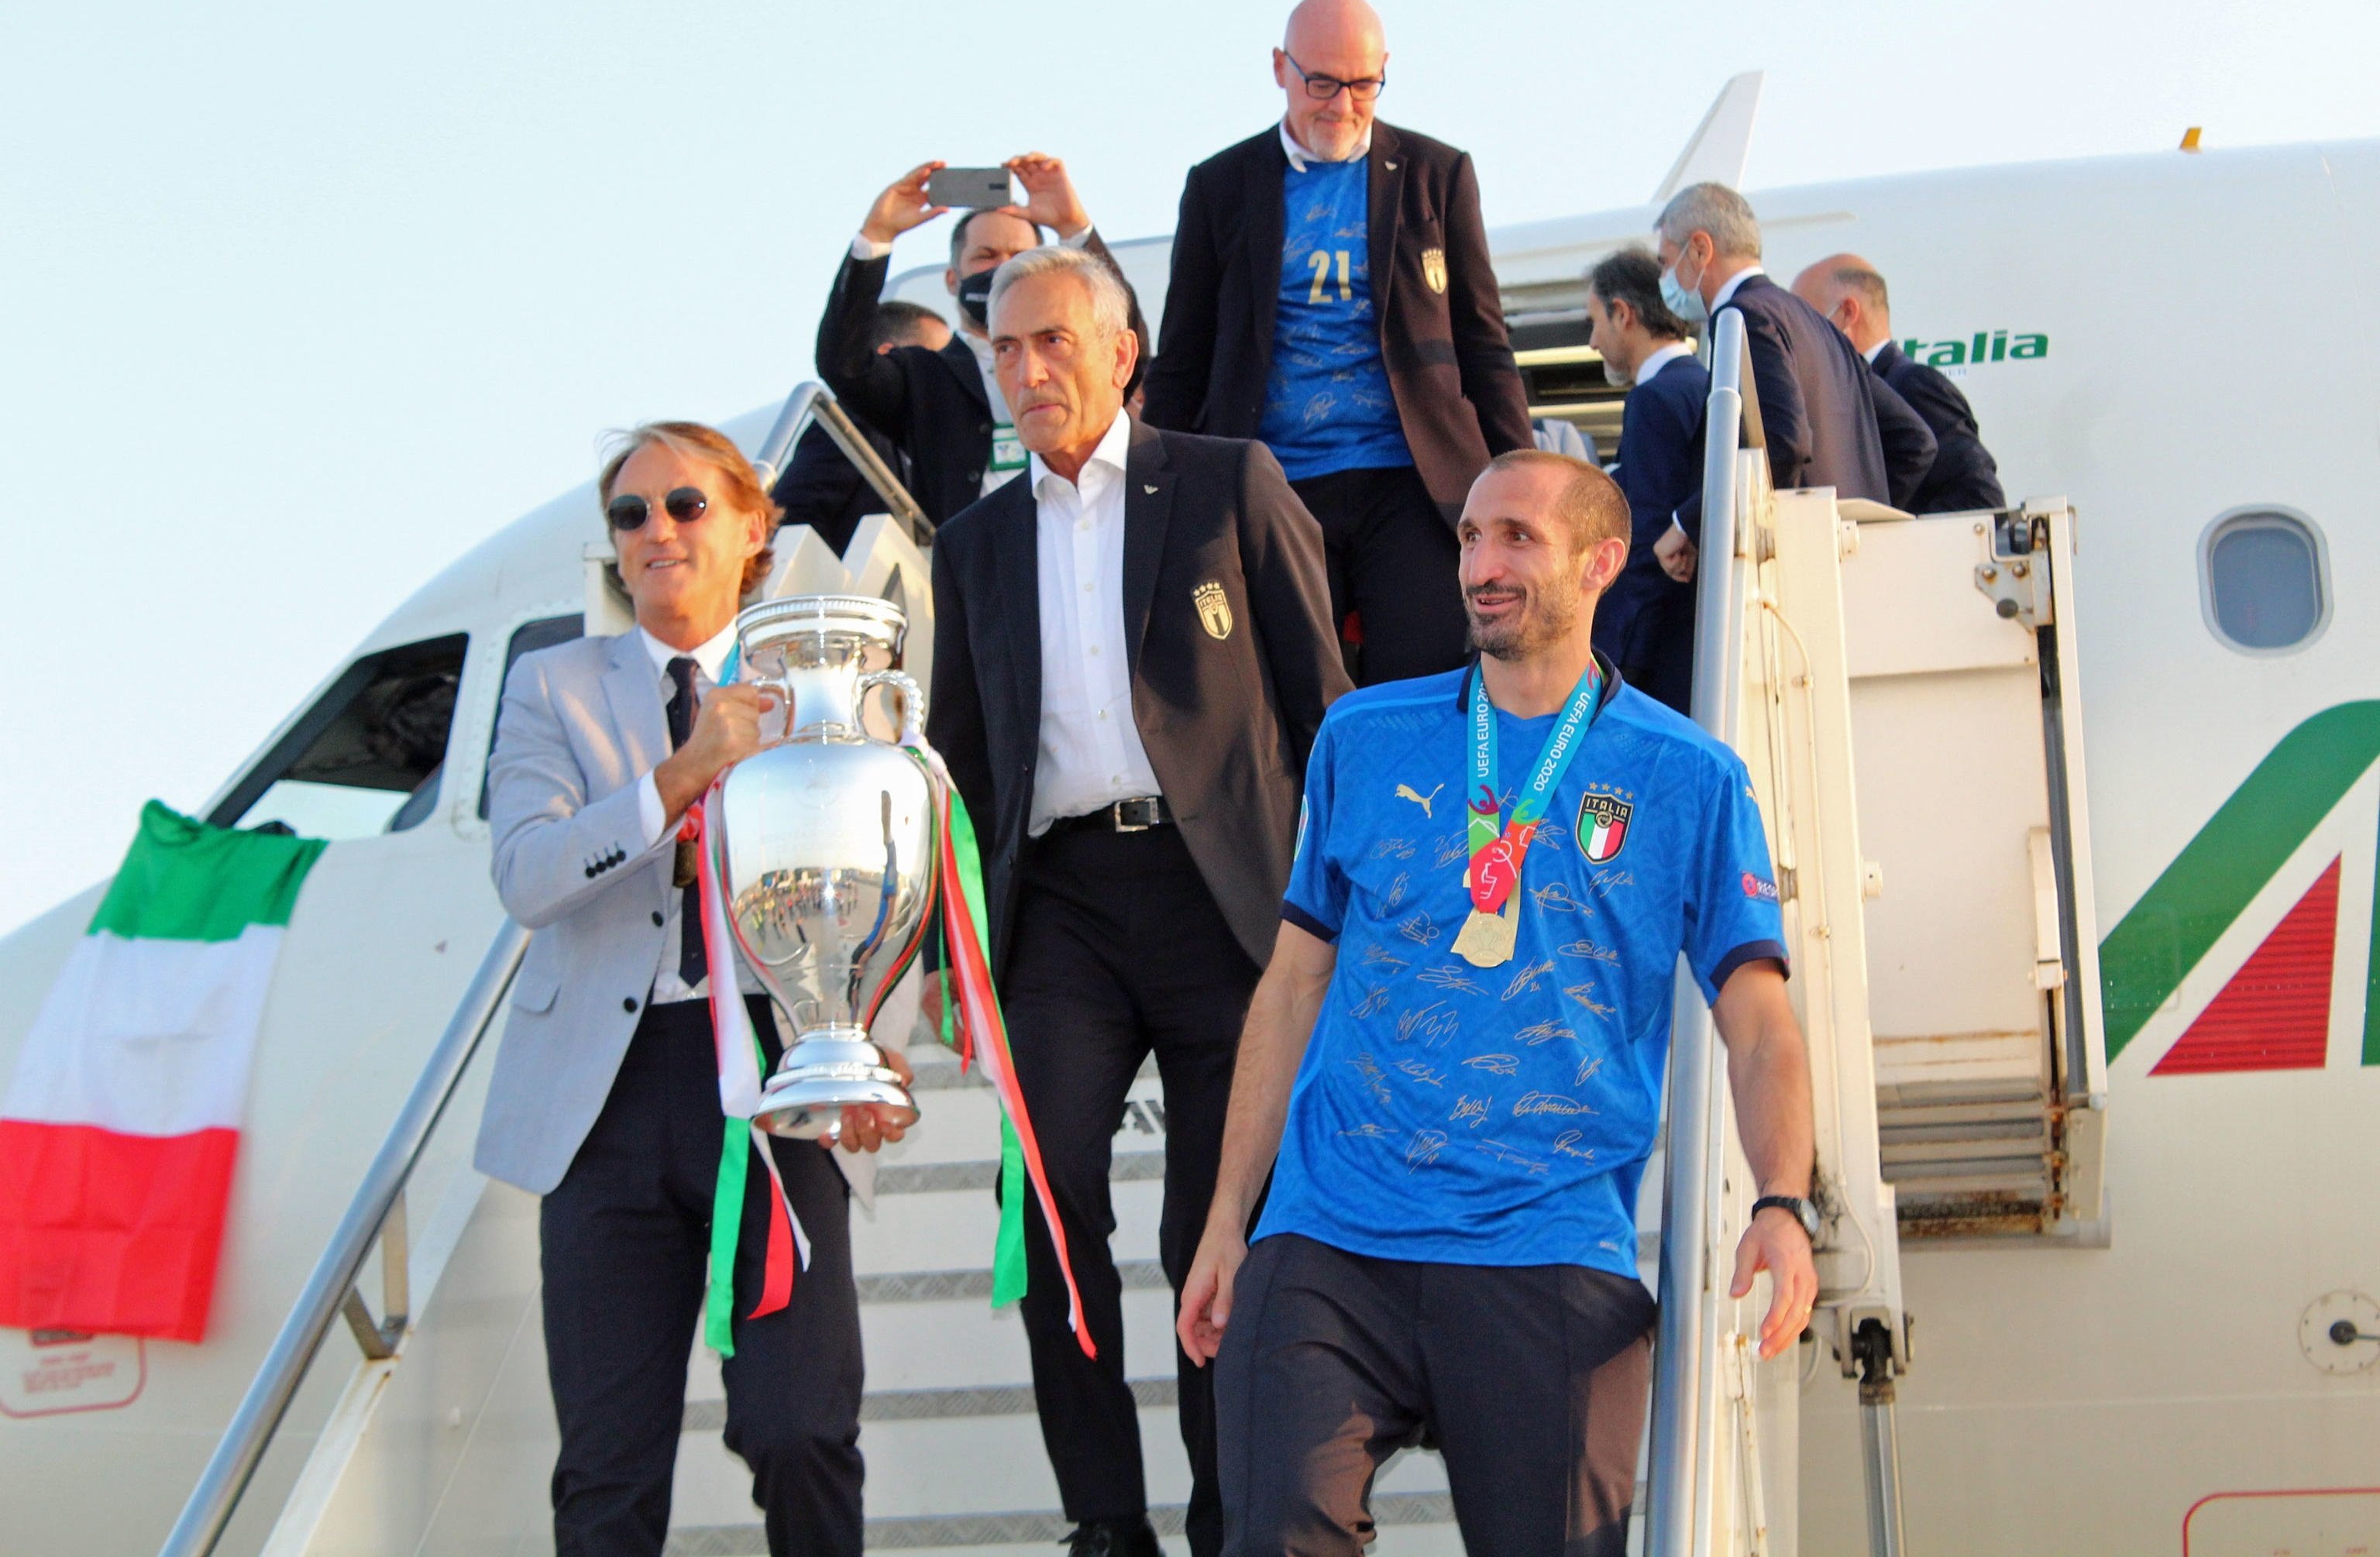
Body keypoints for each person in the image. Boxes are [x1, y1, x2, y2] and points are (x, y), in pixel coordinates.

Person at [1176, 449, 1820, 1557]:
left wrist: (1782, 1202)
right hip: (1333, 1236)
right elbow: (1291, 988)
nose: (1482, 563)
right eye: (1471, 536)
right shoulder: (1364, 739)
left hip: (1549, 1241)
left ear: (1601, 561)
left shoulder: (1689, 775)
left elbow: (1757, 1020)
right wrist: (1229, 1218)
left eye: (1517, 536)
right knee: (1276, 1533)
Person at [926, 246, 1349, 1557]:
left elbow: (1325, 708)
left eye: (1051, 341)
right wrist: (953, 953)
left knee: (1208, 1227)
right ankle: (1105, 1520)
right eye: (1004, 349)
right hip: (1058, 911)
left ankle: (1232, 1518)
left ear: (1120, 351)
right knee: (1049, 1209)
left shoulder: (1228, 483)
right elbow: (963, 755)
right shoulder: (971, 542)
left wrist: (1341, 915)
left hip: (1226, 901)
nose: (1025, 370)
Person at [476, 421, 913, 1557]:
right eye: (630, 514)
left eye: (685, 506)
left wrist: (876, 1044)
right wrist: (679, 778)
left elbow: (894, 860)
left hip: (776, 1085)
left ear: (753, 527)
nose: (657, 532)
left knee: (802, 1430)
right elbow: (527, 875)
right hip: (603, 1105)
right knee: (609, 1471)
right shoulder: (550, 686)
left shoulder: (822, 676)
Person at [1141, 0, 1532, 685]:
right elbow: (1185, 362)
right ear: (1279, 69)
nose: (1343, 105)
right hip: (1273, 481)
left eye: (1363, 85)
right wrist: (1148, 497)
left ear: (1383, 70)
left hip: (1413, 480)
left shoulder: (1436, 174)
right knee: (1296, 689)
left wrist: (1528, 484)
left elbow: (1481, 345)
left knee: (1427, 681)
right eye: (1321, 83)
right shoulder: (1220, 187)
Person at [817, 153, 1147, 528]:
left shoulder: (1079, 354)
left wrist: (1074, 228)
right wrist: (876, 237)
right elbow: (842, 364)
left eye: (1021, 257)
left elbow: (1122, 332)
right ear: (952, 280)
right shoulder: (924, 376)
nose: (1003, 267)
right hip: (983, 564)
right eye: (986, 256)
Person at [1649, 182, 1936, 582]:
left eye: (1664, 262)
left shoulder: (1744, 316)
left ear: (1700, 249)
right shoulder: (1814, 321)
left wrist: (1689, 524)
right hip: (1851, 576)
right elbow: (1914, 440)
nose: (1664, 277)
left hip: (1790, 585)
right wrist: (1853, 521)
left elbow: (1782, 443)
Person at [1791, 253, 2007, 514]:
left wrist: (1889, 533)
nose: (1799, 338)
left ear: (1847, 313)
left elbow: (1982, 498)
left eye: (1807, 323)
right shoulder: (1861, 390)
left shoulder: (1912, 386)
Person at [1587, 248, 1705, 713]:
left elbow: (1647, 538)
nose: (1593, 341)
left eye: (1595, 321)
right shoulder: (1703, 383)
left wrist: (1609, 654)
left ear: (1623, 313)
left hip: (1653, 654)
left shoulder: (1655, 398)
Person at [776, 300, 951, 553]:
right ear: (889, 357)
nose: (944, 377)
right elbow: (794, 512)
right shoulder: (851, 426)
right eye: (934, 363)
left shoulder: (913, 443)